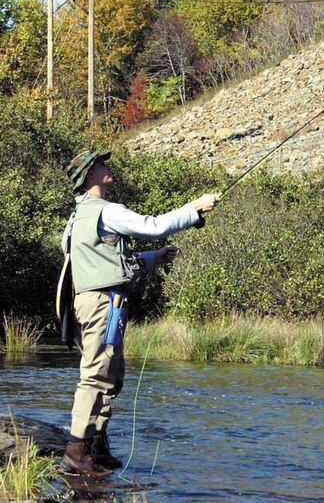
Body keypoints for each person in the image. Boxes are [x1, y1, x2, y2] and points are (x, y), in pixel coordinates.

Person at [59, 150, 220, 478]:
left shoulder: (78, 217)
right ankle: (76, 453)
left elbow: (107, 260)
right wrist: (194, 208)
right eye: (101, 164)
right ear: (91, 175)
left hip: (100, 302)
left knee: (111, 375)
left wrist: (151, 258)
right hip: (104, 304)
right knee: (96, 375)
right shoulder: (107, 211)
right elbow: (154, 225)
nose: (108, 166)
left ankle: (96, 448)